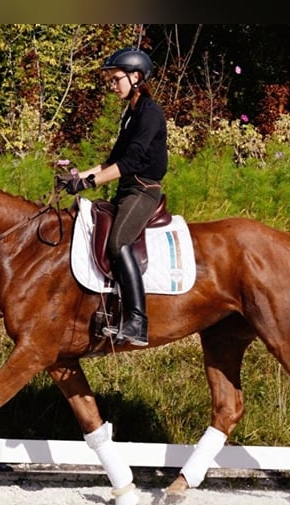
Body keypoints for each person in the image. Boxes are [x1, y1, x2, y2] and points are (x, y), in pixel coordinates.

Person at [57, 47, 168, 347]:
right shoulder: (130, 114)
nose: (112, 85)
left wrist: (89, 183)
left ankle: (137, 322)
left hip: (144, 191)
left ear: (136, 77)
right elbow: (112, 161)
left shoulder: (150, 113)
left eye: (115, 78)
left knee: (118, 242)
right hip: (126, 189)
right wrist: (78, 179)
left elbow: (130, 163)